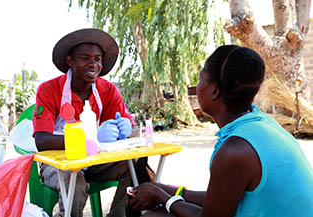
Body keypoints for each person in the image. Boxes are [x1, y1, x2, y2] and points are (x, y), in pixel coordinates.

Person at [127, 45, 313, 217]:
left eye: (200, 78)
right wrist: (169, 190)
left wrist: (162, 197)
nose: (196, 87)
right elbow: (221, 198)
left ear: (215, 91)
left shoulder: (236, 150)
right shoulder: (263, 123)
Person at [33, 28, 136, 217]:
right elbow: (42, 141)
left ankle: (118, 215)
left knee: (134, 165)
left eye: (97, 59)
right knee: (74, 180)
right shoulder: (49, 90)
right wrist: (90, 139)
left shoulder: (107, 90)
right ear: (70, 61)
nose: (93, 64)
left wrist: (128, 129)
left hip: (93, 160)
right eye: (85, 58)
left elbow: (132, 128)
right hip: (58, 163)